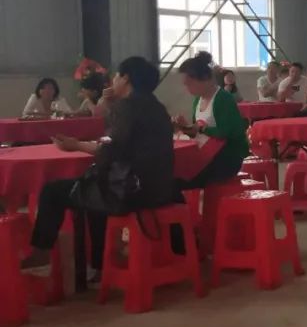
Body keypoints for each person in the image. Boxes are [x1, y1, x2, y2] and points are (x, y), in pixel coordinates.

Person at [21, 57, 176, 275]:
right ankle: (99, 264)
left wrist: (76, 145)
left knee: (52, 191)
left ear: (126, 78)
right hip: (159, 189)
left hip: (129, 191)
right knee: (94, 191)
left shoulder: (126, 106)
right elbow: (124, 143)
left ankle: (41, 252)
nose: (113, 80)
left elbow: (109, 148)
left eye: (117, 76)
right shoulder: (157, 107)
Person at [174, 53, 250, 188]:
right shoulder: (198, 100)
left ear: (205, 78)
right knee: (175, 173)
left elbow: (227, 132)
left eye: (189, 83)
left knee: (180, 181)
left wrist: (201, 128)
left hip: (227, 157)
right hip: (207, 155)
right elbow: (198, 133)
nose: (187, 88)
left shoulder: (223, 99)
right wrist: (186, 127)